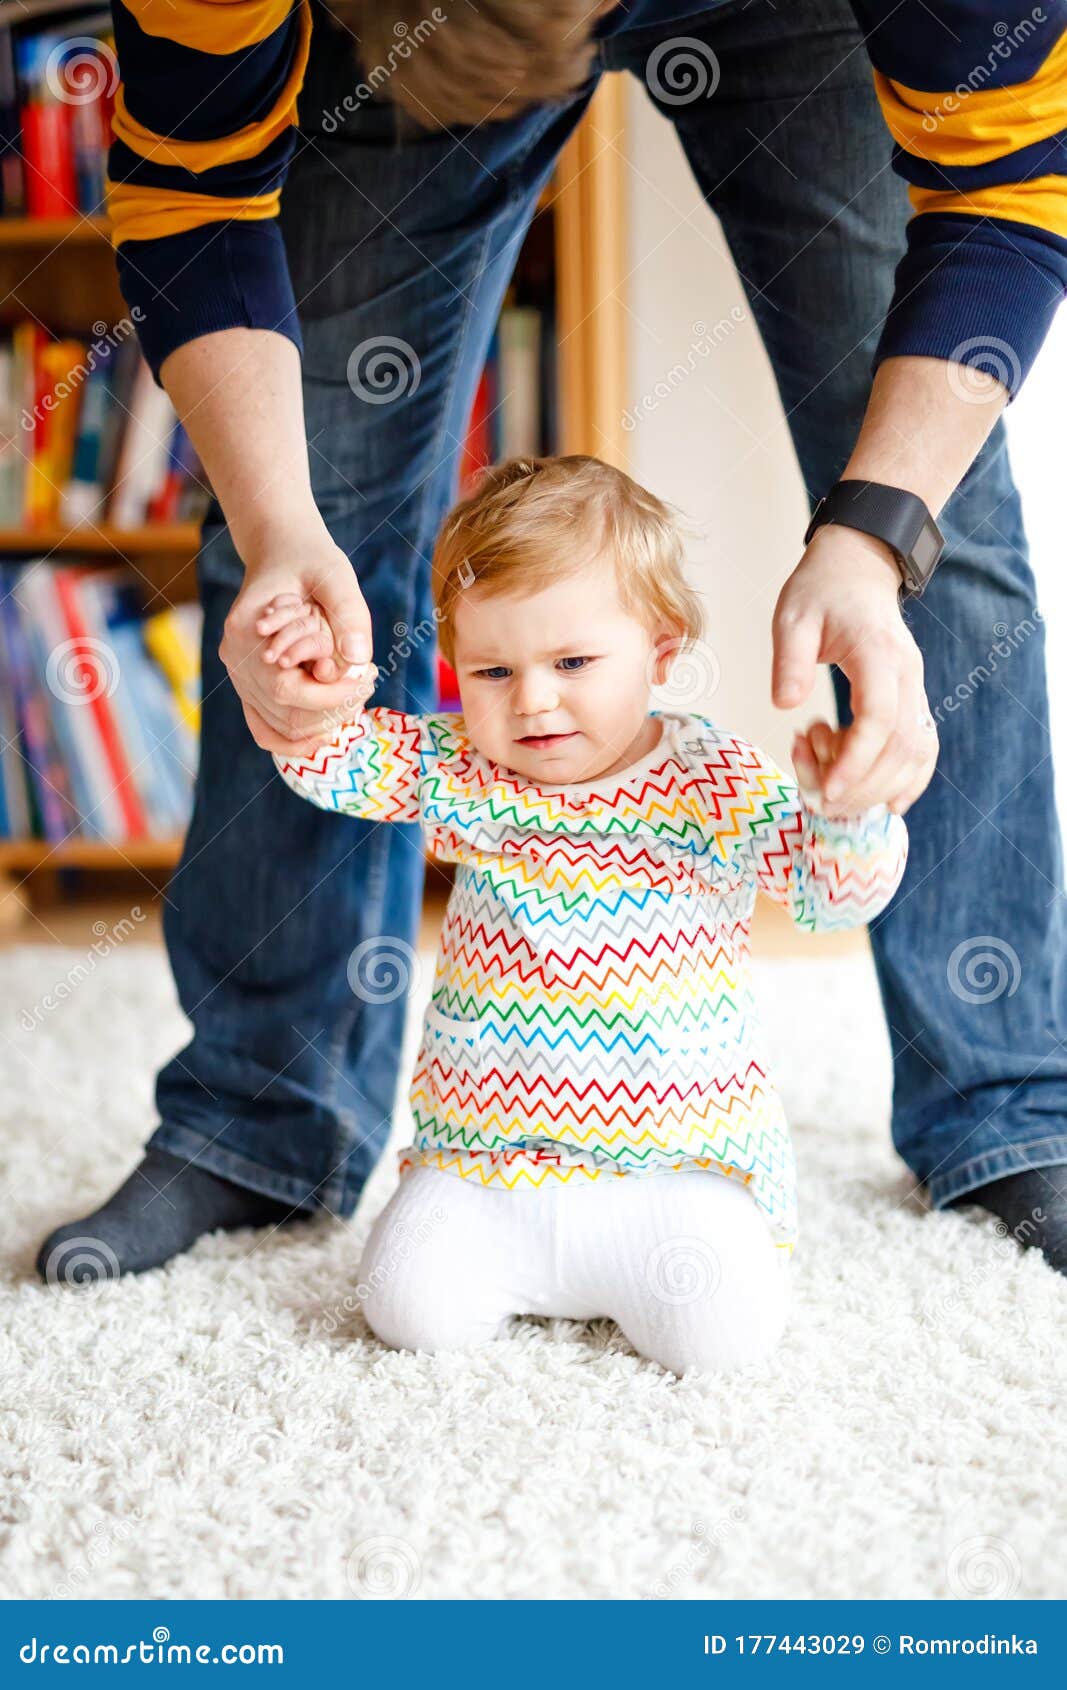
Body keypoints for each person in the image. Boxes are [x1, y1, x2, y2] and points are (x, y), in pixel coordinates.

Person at [36, 0, 1067, 1285]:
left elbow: (1004, 188)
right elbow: (194, 198)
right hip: (417, 48)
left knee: (939, 531)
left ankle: (1012, 1102)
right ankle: (261, 1118)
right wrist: (280, 527)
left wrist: (868, 544)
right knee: (301, 531)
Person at [269, 453, 909, 1372]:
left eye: (572, 661)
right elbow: (329, 760)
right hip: (488, 1161)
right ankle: (498, 1254)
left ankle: (674, 1257)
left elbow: (830, 897)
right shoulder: (464, 767)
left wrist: (845, 814)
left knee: (721, 1336)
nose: (531, 700)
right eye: (491, 670)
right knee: (404, 1307)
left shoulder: (709, 780)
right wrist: (305, 681)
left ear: (660, 651)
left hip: (675, 1167)